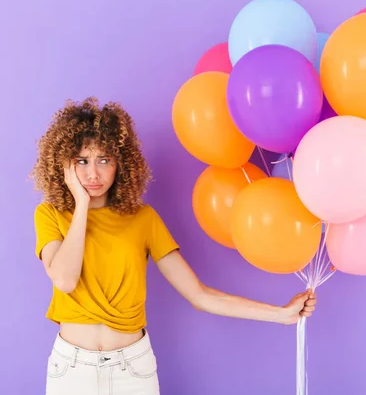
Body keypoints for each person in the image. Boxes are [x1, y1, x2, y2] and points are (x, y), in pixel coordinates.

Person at [30, 97, 317, 395]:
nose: (93, 174)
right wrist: (81, 204)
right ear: (64, 165)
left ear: (121, 164)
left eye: (104, 160)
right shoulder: (49, 214)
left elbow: (200, 294)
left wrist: (280, 314)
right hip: (72, 369)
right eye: (82, 161)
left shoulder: (143, 219)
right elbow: (64, 279)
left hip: (132, 369)